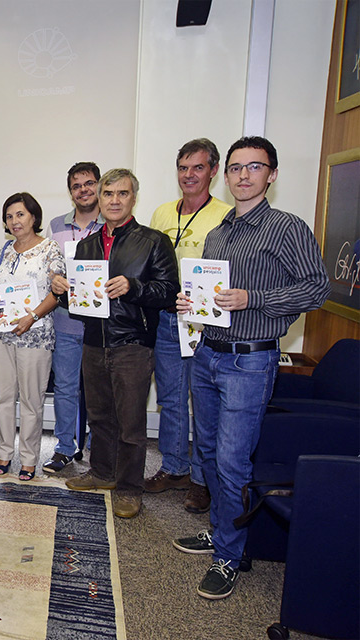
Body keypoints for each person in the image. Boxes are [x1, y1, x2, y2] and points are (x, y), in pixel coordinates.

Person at [172, 136, 328, 600]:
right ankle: (224, 533)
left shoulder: (286, 228)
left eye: (254, 167)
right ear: (226, 174)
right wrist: (192, 304)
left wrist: (252, 298)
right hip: (208, 352)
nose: (243, 176)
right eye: (236, 168)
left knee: (233, 460)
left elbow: (317, 289)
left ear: (271, 175)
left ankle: (230, 555)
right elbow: (215, 295)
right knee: (209, 453)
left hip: (249, 359)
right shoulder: (220, 231)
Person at [55, 168, 178, 519]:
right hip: (93, 341)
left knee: (130, 422)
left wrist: (133, 288)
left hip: (132, 344)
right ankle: (102, 472)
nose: (113, 200)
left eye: (121, 194)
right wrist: (62, 291)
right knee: (100, 416)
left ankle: (129, 487)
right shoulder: (87, 245)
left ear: (133, 198)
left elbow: (169, 292)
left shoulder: (153, 241)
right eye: (108, 193)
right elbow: (78, 300)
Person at [144, 138, 232, 514]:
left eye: (198, 168)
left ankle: (201, 480)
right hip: (168, 318)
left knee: (205, 403)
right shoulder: (163, 213)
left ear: (213, 171)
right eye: (183, 168)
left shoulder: (228, 215)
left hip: (206, 324)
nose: (189, 175)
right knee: (170, 398)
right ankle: (175, 468)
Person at [0, 193, 62, 481]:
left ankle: (28, 460)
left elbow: (57, 290)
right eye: (10, 216)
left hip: (34, 334)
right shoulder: (5, 250)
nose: (14, 221)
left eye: (20, 214)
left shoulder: (50, 249)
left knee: (31, 400)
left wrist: (33, 317)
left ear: (34, 217)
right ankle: (4, 454)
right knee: (3, 396)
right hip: (1, 333)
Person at [42, 162, 104, 474]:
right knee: (65, 388)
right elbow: (50, 265)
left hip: (102, 326)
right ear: (71, 192)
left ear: (99, 185)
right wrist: (54, 276)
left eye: (89, 183)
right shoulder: (56, 225)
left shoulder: (113, 223)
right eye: (77, 186)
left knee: (100, 390)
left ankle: (99, 447)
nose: (84, 190)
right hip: (65, 322)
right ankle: (65, 448)